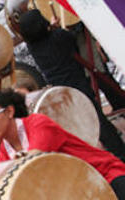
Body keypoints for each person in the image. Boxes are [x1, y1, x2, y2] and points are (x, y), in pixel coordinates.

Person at [0, 89, 125, 200]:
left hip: (106, 177)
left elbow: (35, 160)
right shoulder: (4, 150)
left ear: (9, 111)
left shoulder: (38, 123)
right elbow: (5, 184)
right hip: (83, 196)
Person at [18, 9, 125, 161]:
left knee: (80, 125)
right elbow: (71, 40)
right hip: (78, 86)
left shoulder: (33, 48)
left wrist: (53, 29)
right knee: (97, 119)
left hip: (60, 92)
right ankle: (120, 152)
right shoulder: (58, 37)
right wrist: (56, 28)